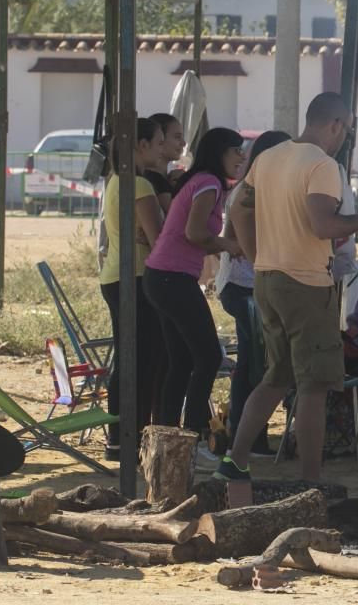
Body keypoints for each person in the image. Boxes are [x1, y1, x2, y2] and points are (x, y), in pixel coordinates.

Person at [216, 93, 358, 484]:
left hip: (268, 280)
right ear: (336, 124)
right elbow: (323, 226)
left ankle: (234, 460)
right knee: (315, 384)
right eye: (347, 128)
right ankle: (311, 482)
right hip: (307, 285)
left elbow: (239, 206)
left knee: (276, 376)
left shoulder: (269, 158)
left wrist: (258, 252)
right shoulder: (322, 165)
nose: (345, 137)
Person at [143, 127, 245, 467]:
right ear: (219, 154)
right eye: (236, 151)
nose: (241, 158)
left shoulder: (200, 179)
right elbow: (195, 233)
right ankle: (192, 439)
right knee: (207, 358)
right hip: (171, 278)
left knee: (182, 362)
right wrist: (229, 245)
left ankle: (168, 443)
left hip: (162, 277)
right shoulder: (209, 183)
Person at [216, 130, 291, 458]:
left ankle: (244, 435)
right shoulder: (248, 194)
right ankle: (246, 438)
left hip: (251, 284)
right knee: (253, 363)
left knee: (254, 361)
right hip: (243, 286)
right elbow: (252, 250)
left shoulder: (264, 191)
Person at [99, 117, 167, 461]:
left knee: (130, 358)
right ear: (140, 146)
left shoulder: (117, 181)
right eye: (157, 142)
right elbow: (160, 240)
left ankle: (121, 437)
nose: (161, 148)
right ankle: (129, 437)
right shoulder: (140, 184)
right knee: (141, 360)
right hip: (135, 277)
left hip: (117, 275)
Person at [145, 113, 186, 212]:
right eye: (177, 137)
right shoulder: (154, 180)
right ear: (159, 139)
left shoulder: (162, 179)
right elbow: (176, 220)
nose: (184, 143)